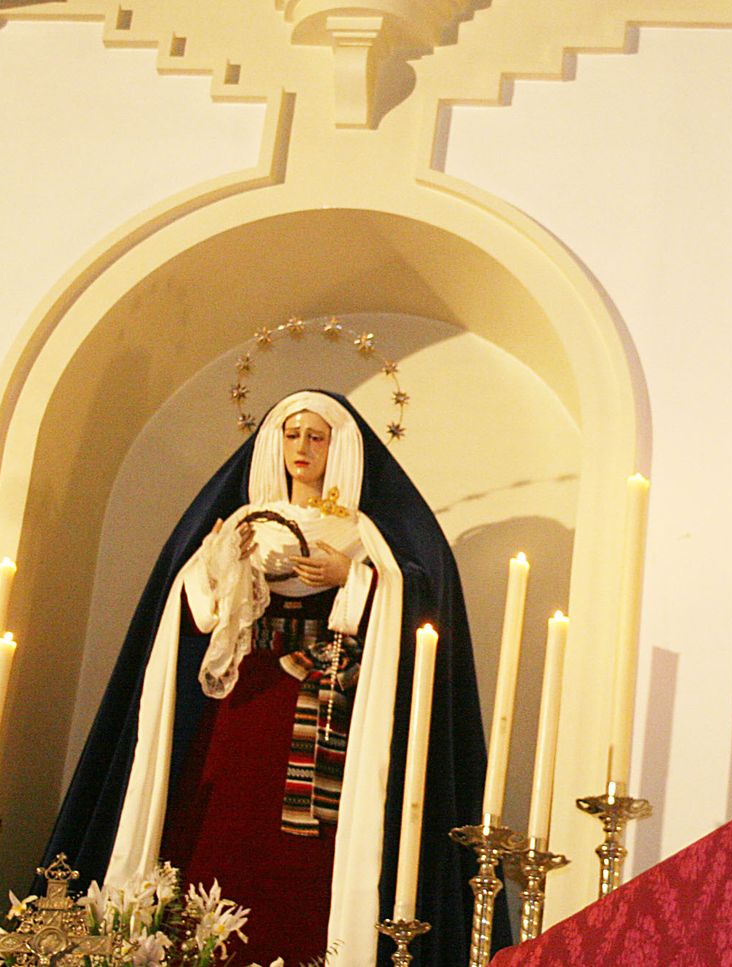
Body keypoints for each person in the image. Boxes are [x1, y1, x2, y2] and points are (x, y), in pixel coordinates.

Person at [42, 390, 499, 966]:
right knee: (218, 826)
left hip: (320, 706)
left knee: (304, 852)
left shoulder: (364, 532)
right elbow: (194, 610)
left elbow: (414, 603)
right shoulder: (244, 523)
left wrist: (351, 576)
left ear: (340, 448)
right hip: (243, 698)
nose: (301, 447)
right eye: (291, 434)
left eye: (316, 436)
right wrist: (220, 561)